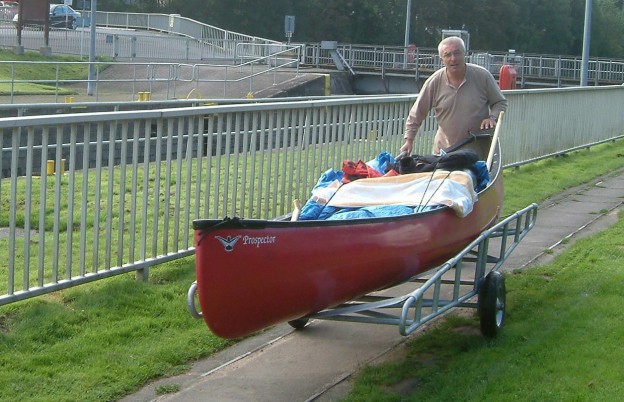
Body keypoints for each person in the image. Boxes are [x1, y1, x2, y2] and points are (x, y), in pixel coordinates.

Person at [400, 36, 508, 155]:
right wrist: (409, 140)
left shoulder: (482, 76)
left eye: (457, 53)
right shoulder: (434, 82)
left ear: (464, 54)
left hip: (478, 152)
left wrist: (492, 118)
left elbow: (500, 102)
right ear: (442, 60)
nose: (453, 59)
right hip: (445, 152)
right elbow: (417, 113)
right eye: (447, 55)